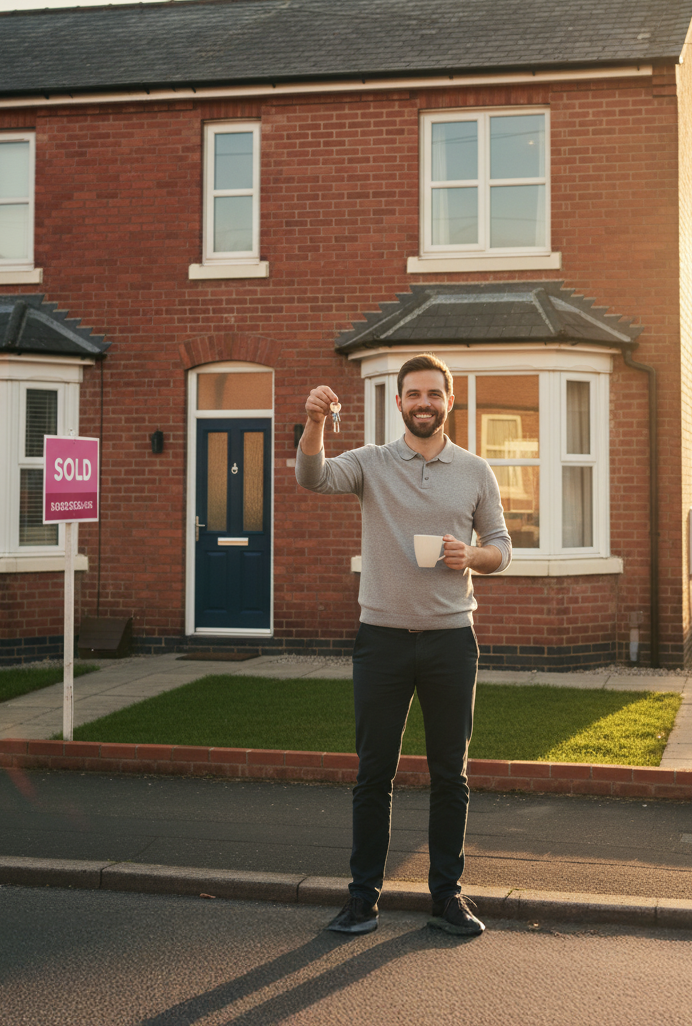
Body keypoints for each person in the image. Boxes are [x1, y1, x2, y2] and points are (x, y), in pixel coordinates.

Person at [296, 353, 511, 937]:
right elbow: (312, 477)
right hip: (382, 641)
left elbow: (501, 546)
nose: (424, 403)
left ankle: (447, 897)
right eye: (413, 394)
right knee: (374, 775)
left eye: (433, 394)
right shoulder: (370, 463)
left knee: (450, 775)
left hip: (451, 641)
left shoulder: (476, 471)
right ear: (398, 402)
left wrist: (473, 556)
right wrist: (314, 422)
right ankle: (363, 898)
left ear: (449, 401)